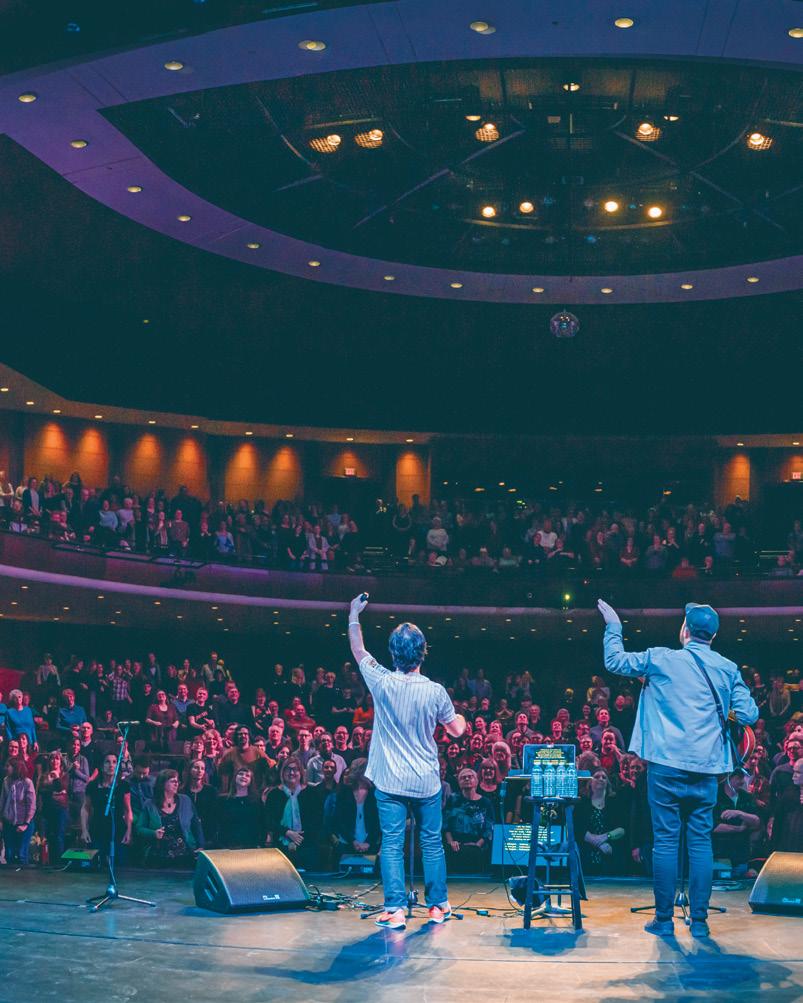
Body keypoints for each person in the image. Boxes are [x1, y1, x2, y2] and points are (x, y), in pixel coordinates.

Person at [597, 599, 758, 938]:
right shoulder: (728, 668)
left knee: (667, 842)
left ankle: (664, 919)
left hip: (666, 768)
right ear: (713, 636)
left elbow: (614, 661)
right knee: (700, 843)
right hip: (706, 769)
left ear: (685, 629)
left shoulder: (661, 658)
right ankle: (699, 922)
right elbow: (748, 714)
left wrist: (614, 627)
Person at [348, 593, 466, 930]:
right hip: (426, 780)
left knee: (392, 844)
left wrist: (353, 614)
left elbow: (359, 650)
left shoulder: (381, 681)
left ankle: (396, 910)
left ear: (393, 653)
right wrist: (461, 718)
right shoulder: (436, 691)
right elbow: (457, 731)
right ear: (423, 652)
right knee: (431, 843)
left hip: (391, 780)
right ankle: (438, 906)